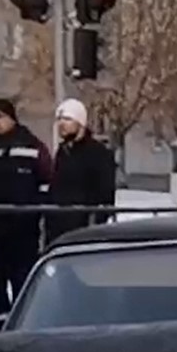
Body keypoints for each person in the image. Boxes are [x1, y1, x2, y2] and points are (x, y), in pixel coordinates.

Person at [0, 98, 52, 318]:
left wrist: (37, 207)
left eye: (1, 116)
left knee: (22, 281)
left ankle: (22, 323)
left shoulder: (31, 145)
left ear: (12, 119)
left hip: (22, 227)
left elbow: (46, 180)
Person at [46, 98, 117, 246]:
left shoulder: (98, 153)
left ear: (80, 123)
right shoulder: (62, 152)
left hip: (84, 227)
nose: (61, 124)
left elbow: (105, 194)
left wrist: (95, 223)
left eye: (67, 119)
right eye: (59, 119)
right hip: (58, 227)